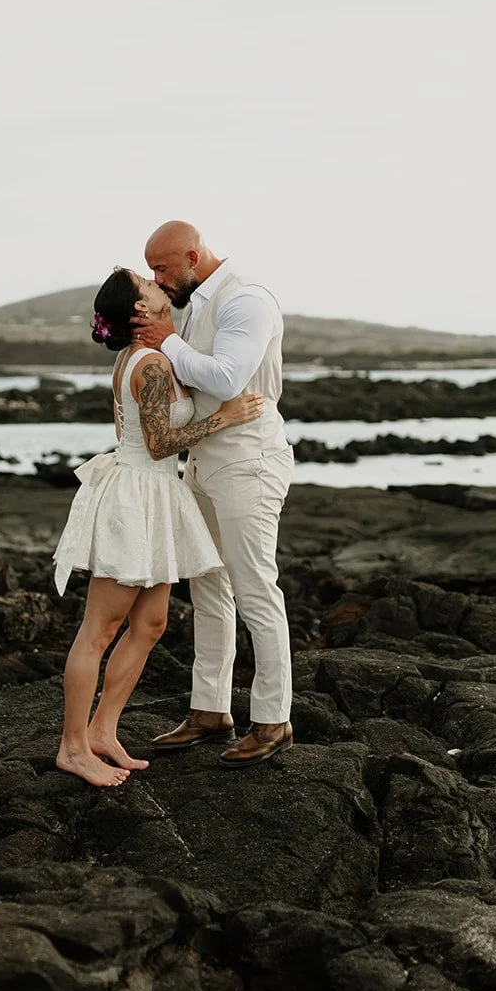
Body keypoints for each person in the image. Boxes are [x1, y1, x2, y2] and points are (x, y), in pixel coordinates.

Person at [51, 267, 265, 787]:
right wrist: (227, 417)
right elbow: (158, 444)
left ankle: (103, 731)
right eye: (146, 284)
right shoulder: (147, 364)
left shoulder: (145, 355)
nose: (156, 283)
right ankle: (73, 748)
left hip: (155, 494)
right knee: (99, 631)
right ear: (140, 309)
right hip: (136, 497)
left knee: (150, 624)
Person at [130, 221, 297, 768]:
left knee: (255, 588)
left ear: (192, 256)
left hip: (249, 463)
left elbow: (225, 379)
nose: (157, 279)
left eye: (161, 269)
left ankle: (273, 719)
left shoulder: (246, 300)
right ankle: (209, 710)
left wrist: (167, 342)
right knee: (207, 586)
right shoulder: (196, 305)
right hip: (202, 464)